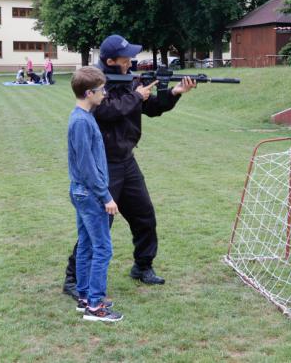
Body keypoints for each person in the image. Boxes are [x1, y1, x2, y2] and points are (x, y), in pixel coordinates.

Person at [63, 34, 196, 299]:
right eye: (125, 59)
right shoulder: (96, 83)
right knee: (98, 224)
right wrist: (136, 96)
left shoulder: (130, 79)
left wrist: (174, 93)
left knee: (144, 215)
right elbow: (107, 112)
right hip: (104, 165)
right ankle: (73, 279)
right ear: (110, 61)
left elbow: (153, 107)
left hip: (127, 160)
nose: (131, 62)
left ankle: (142, 266)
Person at [68, 66, 123, 322]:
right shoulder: (80, 121)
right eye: (101, 90)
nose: (105, 94)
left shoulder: (86, 116)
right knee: (102, 248)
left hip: (85, 192)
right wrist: (106, 196)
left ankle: (84, 296)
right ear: (89, 93)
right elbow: (86, 167)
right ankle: (95, 307)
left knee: (87, 245)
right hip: (89, 193)